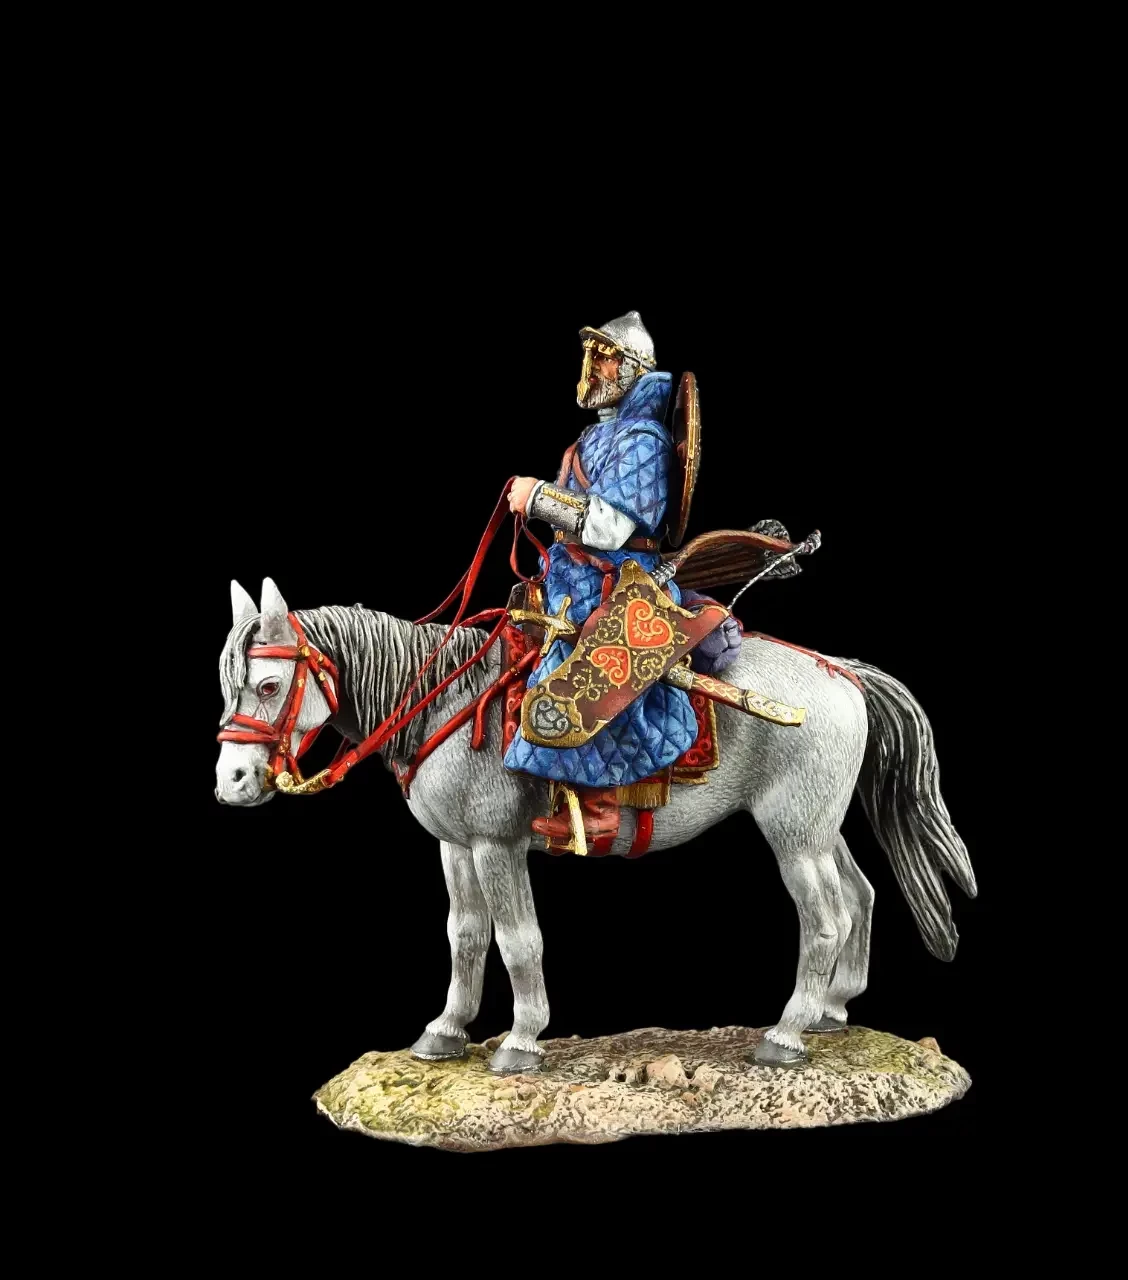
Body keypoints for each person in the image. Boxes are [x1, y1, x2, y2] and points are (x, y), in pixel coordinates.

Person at [503, 311, 700, 846]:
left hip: (619, 580)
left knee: (589, 667)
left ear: (634, 368)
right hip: (573, 576)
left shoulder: (643, 440)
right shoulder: (597, 435)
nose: (592, 367)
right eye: (591, 356)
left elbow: (610, 528)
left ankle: (599, 807)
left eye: (606, 357)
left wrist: (539, 497)